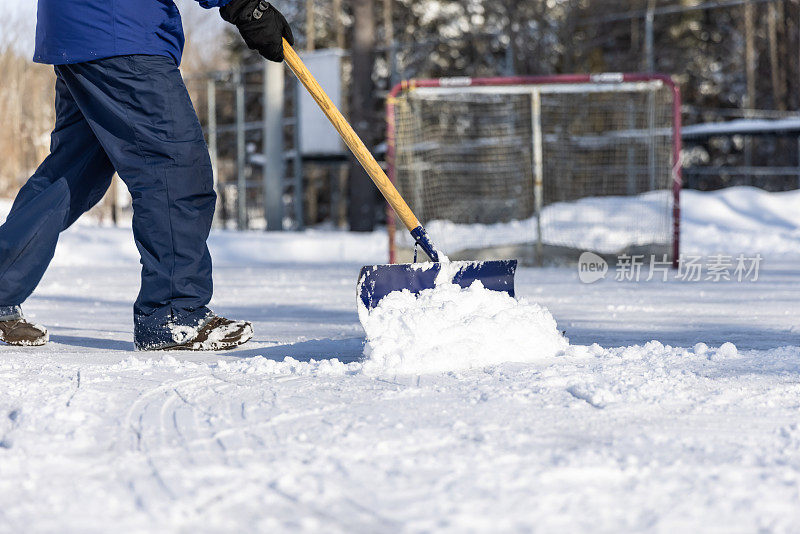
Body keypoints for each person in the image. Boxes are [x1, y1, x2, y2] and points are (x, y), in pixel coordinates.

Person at [0, 0, 294, 350]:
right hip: (119, 29)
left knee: (72, 173)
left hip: (80, 30)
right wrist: (246, 6)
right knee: (174, 169)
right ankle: (172, 312)